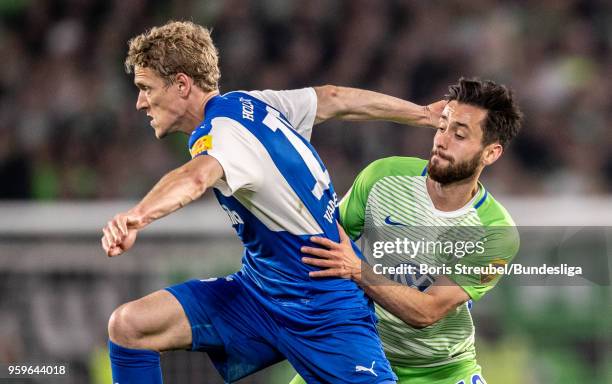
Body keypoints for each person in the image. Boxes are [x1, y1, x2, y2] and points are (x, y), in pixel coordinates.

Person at [100, 20, 444, 384]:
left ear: (182, 84)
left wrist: (137, 217)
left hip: (322, 305)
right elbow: (333, 98)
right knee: (130, 327)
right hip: (258, 293)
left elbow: (195, 177)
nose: (140, 102)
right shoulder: (251, 105)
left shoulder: (223, 134)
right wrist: (423, 113)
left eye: (145, 88)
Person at [290, 78, 523, 384]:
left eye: (460, 135)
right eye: (442, 127)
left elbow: (426, 313)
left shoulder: (494, 232)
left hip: (439, 371)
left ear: (491, 153)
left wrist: (357, 270)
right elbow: (325, 245)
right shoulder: (382, 176)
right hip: (358, 352)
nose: (442, 141)